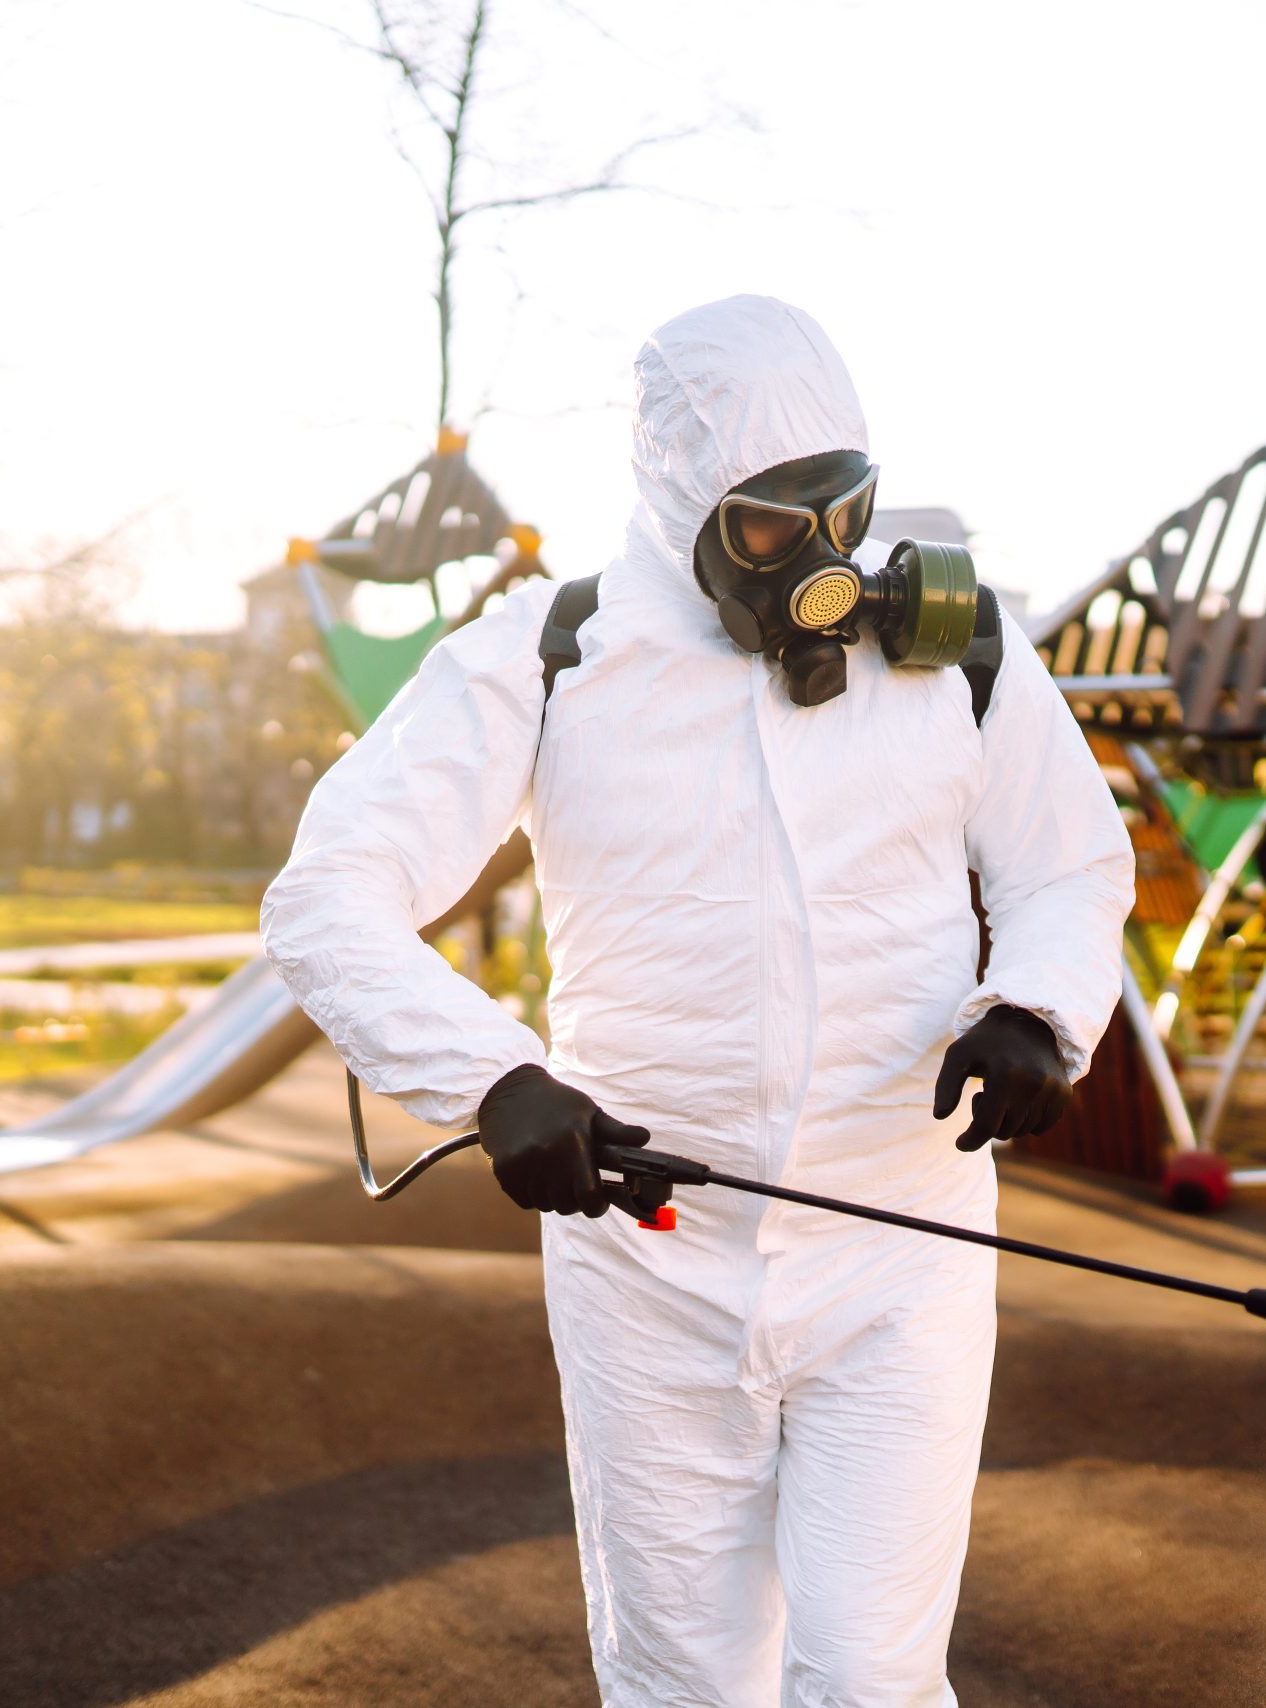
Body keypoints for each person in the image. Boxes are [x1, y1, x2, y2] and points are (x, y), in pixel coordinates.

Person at [262, 294, 1135, 1705]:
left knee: (873, 1675)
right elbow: (326, 896)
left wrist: (1038, 1005)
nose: (829, 564)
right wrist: (494, 1082)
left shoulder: (959, 653)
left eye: (847, 512)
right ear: (682, 503)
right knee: (681, 1676)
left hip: (899, 1244)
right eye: (775, 529)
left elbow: (1070, 862)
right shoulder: (547, 658)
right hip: (649, 1258)